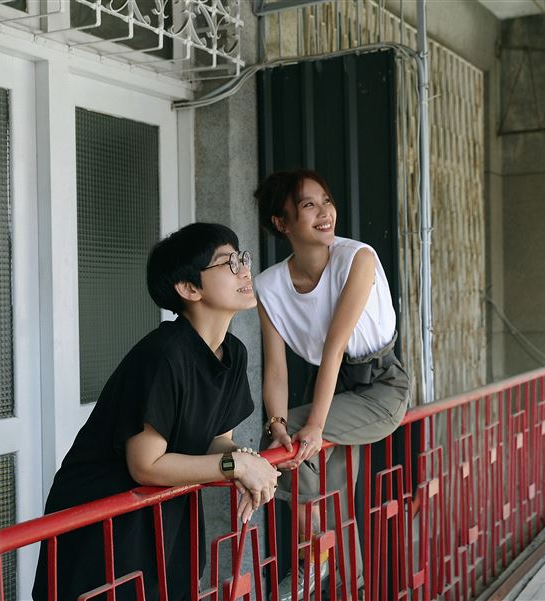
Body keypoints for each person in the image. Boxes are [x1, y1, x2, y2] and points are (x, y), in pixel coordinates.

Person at [32, 223, 280, 601]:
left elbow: (216, 441)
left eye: (242, 258)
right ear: (189, 288)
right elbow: (145, 465)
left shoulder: (233, 353)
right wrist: (236, 466)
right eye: (228, 263)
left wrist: (247, 462)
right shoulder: (164, 355)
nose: (244, 269)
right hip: (104, 516)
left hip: (162, 511)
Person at [253, 169, 410, 598]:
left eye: (326, 200)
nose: (325, 212)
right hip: (333, 390)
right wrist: (276, 422)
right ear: (281, 222)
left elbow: (335, 346)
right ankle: (344, 578)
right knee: (327, 487)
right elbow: (276, 370)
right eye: (309, 205)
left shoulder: (357, 258)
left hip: (381, 387)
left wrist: (313, 426)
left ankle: (316, 555)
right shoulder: (269, 286)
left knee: (292, 446)